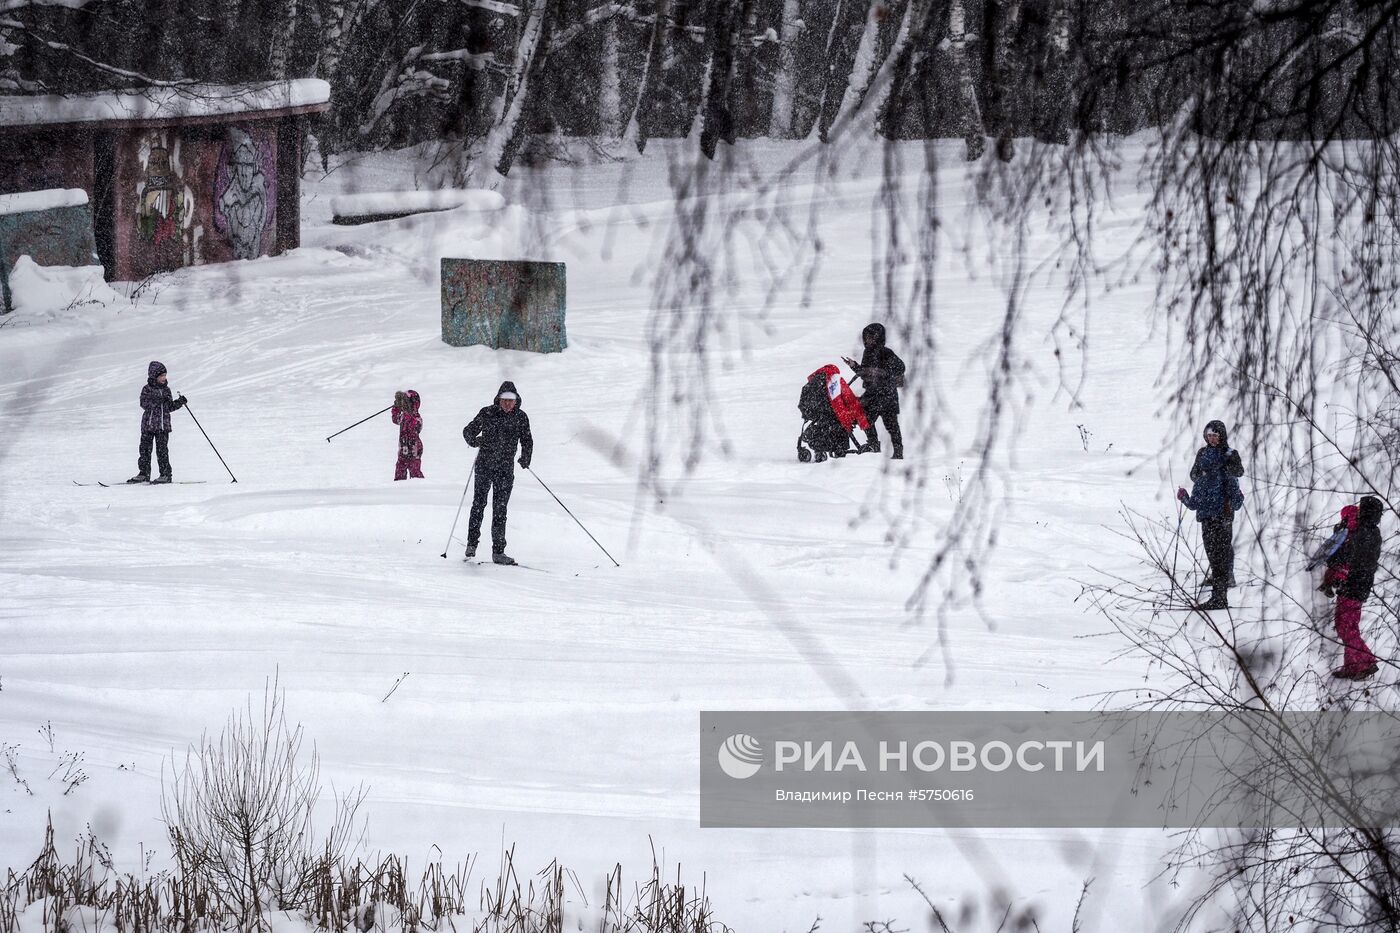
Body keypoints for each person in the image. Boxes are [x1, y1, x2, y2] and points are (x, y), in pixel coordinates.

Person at [1176, 419, 1245, 610]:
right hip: (1206, 514)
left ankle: (1220, 597)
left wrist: (1235, 499)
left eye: (1215, 435)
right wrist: (1186, 499)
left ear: (1222, 435)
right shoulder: (1202, 453)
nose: (1212, 438)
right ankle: (1219, 591)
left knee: (1220, 556)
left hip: (1222, 514)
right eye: (1209, 435)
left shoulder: (1229, 454)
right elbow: (1195, 477)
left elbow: (1237, 474)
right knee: (1213, 555)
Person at [462, 381, 533, 565]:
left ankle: (498, 552)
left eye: (512, 400)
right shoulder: (487, 413)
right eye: (505, 400)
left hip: (505, 469)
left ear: (517, 401)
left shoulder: (521, 417)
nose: (508, 404)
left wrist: (526, 457)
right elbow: (468, 431)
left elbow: (527, 440)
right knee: (479, 504)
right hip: (484, 466)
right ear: (499, 399)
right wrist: (475, 441)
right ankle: (471, 544)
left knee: (500, 510)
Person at [1320, 496, 1384, 680]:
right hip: (1360, 584)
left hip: (1353, 585)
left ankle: (1367, 661)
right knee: (1349, 625)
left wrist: (1335, 564)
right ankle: (1352, 667)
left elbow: (1345, 557)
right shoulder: (1373, 533)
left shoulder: (1359, 533)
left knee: (1345, 628)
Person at [842, 322, 905, 459]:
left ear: (879, 338)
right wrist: (854, 366)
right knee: (865, 420)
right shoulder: (867, 353)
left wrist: (881, 372)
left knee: (891, 425)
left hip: (886, 395)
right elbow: (865, 373)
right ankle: (873, 444)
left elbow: (901, 368)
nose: (867, 340)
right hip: (872, 395)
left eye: (871, 337)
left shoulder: (886, 352)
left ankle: (898, 453)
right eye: (866, 337)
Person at [128, 360, 186, 484]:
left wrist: (179, 402)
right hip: (148, 426)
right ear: (154, 376)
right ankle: (144, 473)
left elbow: (169, 407)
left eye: (165, 375)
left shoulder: (167, 390)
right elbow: (144, 404)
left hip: (162, 426)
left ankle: (165, 475)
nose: (164, 378)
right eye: (161, 376)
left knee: (162, 451)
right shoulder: (147, 389)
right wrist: (158, 400)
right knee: (144, 450)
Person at [392, 390, 425, 480]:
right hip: (403, 448)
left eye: (406, 402)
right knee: (400, 470)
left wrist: (404, 409)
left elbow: (412, 423)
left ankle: (419, 485)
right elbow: (396, 419)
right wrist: (396, 407)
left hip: (414, 448)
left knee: (415, 470)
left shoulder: (417, 418)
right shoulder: (403, 416)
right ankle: (399, 487)